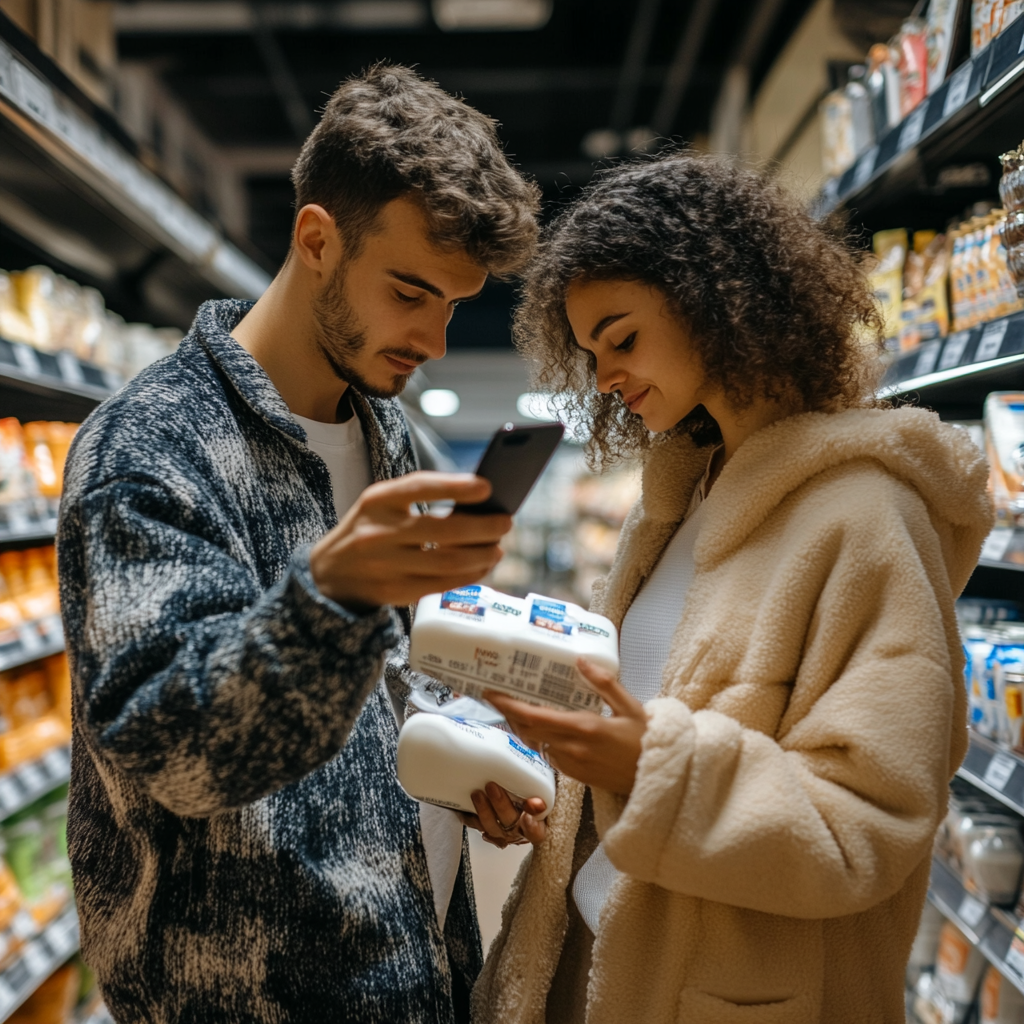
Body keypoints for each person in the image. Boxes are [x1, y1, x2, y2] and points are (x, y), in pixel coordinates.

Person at [57, 64, 539, 1024]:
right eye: (410, 291)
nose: (434, 339)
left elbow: (391, 686)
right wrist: (329, 601)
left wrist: (469, 751)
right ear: (316, 239)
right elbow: (173, 752)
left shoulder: (386, 433)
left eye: (452, 304)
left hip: (417, 967)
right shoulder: (148, 448)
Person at [469, 153, 994, 1024]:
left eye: (623, 338)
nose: (604, 379)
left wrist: (653, 770)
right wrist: (542, 782)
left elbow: (871, 827)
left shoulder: (866, 516)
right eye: (590, 352)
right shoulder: (680, 499)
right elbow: (643, 721)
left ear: (716, 303)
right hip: (594, 964)